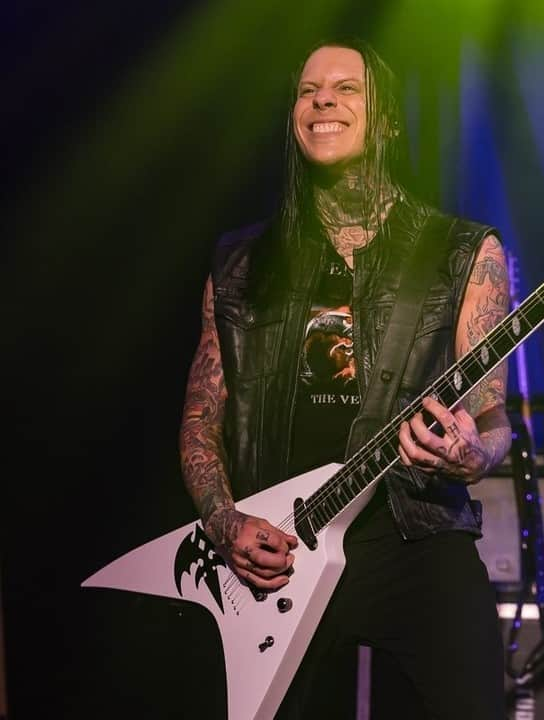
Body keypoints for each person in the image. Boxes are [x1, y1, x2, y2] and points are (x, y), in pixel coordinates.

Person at [179, 38, 511, 719]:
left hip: (413, 536)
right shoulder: (241, 263)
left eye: (346, 88)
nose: (322, 99)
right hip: (281, 548)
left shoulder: (462, 253)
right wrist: (224, 522)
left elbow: (492, 424)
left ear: (387, 121)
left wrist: (469, 455)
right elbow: (200, 421)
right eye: (307, 90)